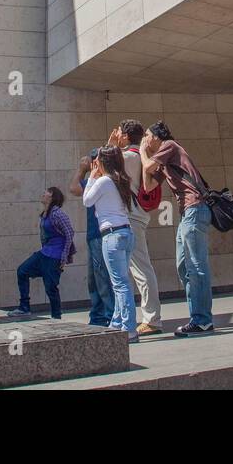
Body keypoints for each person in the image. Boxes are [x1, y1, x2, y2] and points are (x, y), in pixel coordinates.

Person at [141, 120, 214, 336]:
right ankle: (198, 318)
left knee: (196, 266)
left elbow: (146, 166)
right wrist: (147, 160)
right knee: (183, 267)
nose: (145, 139)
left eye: (147, 135)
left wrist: (144, 153)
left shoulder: (169, 146)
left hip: (195, 208)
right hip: (187, 214)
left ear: (155, 137)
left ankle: (202, 320)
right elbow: (148, 186)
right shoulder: (163, 159)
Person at [107, 119, 163, 336]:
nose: (117, 135)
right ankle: (143, 317)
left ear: (126, 135)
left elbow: (100, 166)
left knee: (140, 269)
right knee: (135, 269)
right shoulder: (139, 156)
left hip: (130, 218)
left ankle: (152, 319)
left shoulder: (128, 157)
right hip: (137, 216)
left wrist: (111, 144)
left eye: (119, 132)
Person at [83, 146, 139, 342]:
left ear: (102, 162)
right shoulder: (121, 180)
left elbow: (87, 201)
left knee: (120, 284)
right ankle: (117, 322)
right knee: (121, 283)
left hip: (112, 235)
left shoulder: (104, 181)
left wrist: (92, 176)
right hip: (126, 232)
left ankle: (129, 328)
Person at [5, 186, 75, 318]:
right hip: (44, 253)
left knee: (51, 287)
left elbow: (69, 233)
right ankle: (24, 307)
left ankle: (56, 316)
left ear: (52, 197)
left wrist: (64, 257)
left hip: (55, 256)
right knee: (22, 271)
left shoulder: (57, 213)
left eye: (47, 192)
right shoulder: (45, 214)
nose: (43, 194)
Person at [69, 150, 113, 327]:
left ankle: (110, 315)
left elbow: (74, 188)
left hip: (101, 234)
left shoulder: (103, 182)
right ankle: (98, 315)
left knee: (102, 277)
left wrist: (82, 169)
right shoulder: (96, 181)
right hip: (94, 235)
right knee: (94, 279)